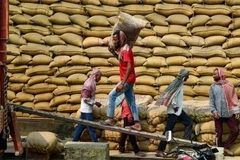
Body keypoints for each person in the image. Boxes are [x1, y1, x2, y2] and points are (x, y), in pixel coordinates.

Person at [102, 30, 141, 131]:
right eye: (113, 40)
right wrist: (112, 52)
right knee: (131, 101)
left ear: (121, 39)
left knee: (112, 95)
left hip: (127, 80)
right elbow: (121, 60)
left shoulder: (125, 50)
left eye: (115, 40)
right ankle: (137, 123)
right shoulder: (123, 49)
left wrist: (123, 83)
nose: (114, 42)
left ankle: (110, 118)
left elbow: (129, 66)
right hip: (130, 79)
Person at [155, 68, 193, 157]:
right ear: (184, 77)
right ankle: (160, 149)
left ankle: (185, 143)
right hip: (174, 111)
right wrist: (175, 106)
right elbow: (173, 96)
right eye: (187, 76)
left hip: (178, 110)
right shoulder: (178, 84)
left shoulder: (179, 83)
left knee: (189, 122)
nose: (188, 77)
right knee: (168, 131)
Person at [209, 68, 240, 156]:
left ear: (220, 74)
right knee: (219, 133)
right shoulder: (212, 87)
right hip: (218, 114)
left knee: (235, 130)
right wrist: (214, 111)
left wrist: (237, 110)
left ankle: (226, 147)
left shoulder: (229, 85)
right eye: (213, 74)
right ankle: (218, 151)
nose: (213, 76)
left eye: (215, 74)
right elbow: (211, 101)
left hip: (229, 113)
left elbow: (234, 99)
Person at [72, 69, 102, 142]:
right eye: (100, 77)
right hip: (86, 110)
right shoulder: (89, 84)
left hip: (86, 109)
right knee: (91, 126)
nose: (100, 79)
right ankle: (95, 142)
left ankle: (74, 140)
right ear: (96, 76)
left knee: (81, 126)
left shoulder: (92, 83)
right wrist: (95, 103)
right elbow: (85, 98)